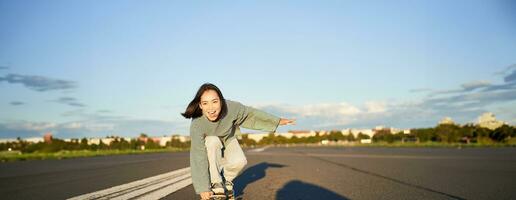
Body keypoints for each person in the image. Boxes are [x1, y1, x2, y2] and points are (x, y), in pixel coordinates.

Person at [182, 83, 295, 200]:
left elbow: (251, 114)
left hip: (228, 138)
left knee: (240, 161)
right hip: (211, 143)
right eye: (205, 103)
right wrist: (203, 188)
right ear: (200, 105)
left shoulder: (232, 108)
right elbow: (198, 155)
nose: (211, 108)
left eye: (214, 101)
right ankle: (216, 184)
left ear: (221, 100)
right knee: (212, 140)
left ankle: (226, 182)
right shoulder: (197, 123)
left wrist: (276, 121)